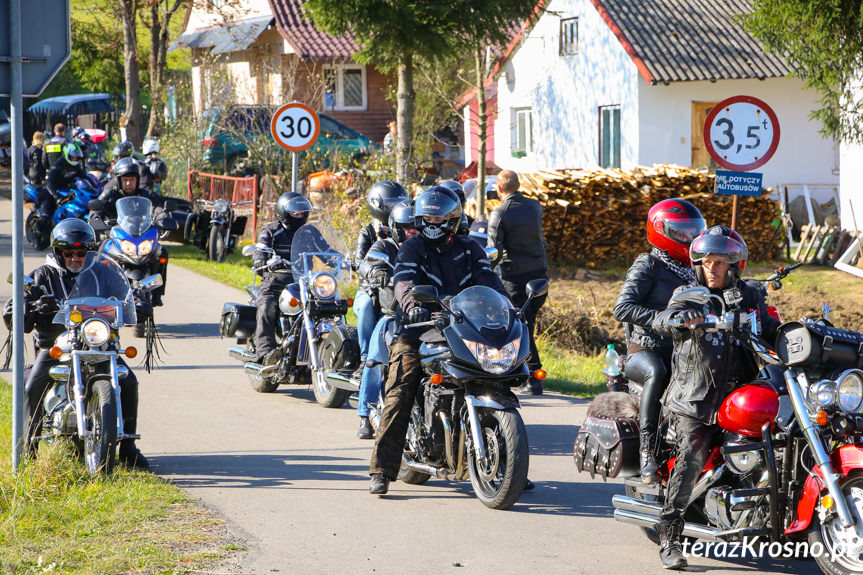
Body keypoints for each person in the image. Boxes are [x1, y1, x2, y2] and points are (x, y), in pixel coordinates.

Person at [368, 186, 511, 495]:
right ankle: (382, 469)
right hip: (419, 326)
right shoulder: (412, 247)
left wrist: (507, 306)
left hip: (462, 324)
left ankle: (509, 465)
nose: (432, 223)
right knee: (400, 388)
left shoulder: (469, 249)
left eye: (439, 217)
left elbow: (489, 281)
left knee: (497, 376)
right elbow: (403, 281)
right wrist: (411, 305)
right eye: (427, 217)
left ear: (453, 219)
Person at [651, 225, 779, 569]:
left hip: (742, 393)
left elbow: (770, 327)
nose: (713, 268)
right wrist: (683, 320)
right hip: (696, 399)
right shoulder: (688, 293)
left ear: (735, 266)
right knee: (693, 452)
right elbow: (666, 318)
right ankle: (671, 535)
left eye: (721, 262)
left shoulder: (750, 295)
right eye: (707, 261)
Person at [3, 219, 149, 468]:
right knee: (32, 386)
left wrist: (137, 300)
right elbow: (15, 307)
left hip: (99, 344)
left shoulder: (103, 272)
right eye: (68, 253)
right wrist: (31, 306)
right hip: (57, 346)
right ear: (58, 253)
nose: (75, 258)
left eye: (81, 253)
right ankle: (29, 448)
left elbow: (124, 293)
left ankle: (127, 447)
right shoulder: (42, 275)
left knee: (130, 382)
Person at [612, 199, 706, 482]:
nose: (687, 238)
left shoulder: (697, 268)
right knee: (659, 372)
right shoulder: (648, 263)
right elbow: (622, 308)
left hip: (685, 348)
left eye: (692, 231)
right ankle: (647, 450)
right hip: (646, 348)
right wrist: (662, 318)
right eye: (680, 231)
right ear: (660, 230)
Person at [355, 199, 416, 439]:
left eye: (415, 225)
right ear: (394, 226)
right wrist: (376, 271)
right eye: (405, 225)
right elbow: (368, 262)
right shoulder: (384, 245)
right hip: (393, 316)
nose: (411, 230)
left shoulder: (426, 247)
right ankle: (364, 413)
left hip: (425, 316)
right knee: (374, 361)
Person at [486, 170, 548, 395]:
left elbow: (494, 252)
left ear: (499, 189)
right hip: (540, 274)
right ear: (519, 185)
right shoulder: (535, 207)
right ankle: (525, 374)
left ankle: (531, 377)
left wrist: (484, 274)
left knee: (519, 326)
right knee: (527, 324)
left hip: (516, 277)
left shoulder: (500, 213)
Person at [91, 158, 168, 305]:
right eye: (125, 180)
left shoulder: (145, 194)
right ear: (119, 180)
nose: (128, 183)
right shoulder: (110, 194)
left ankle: (157, 292)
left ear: (137, 180)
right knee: (99, 252)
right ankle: (98, 291)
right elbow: (97, 207)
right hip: (116, 237)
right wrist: (95, 217)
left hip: (141, 236)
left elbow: (157, 207)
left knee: (162, 253)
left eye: (132, 180)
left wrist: (162, 216)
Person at [253, 192, 312, 365]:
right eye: (295, 213)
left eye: (302, 212)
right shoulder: (271, 230)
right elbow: (260, 250)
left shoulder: (308, 232)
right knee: (266, 306)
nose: (299, 216)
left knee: (327, 305)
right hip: (275, 282)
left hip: (303, 282)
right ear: (284, 212)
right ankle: (265, 354)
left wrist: (345, 261)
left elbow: (325, 250)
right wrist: (261, 260)